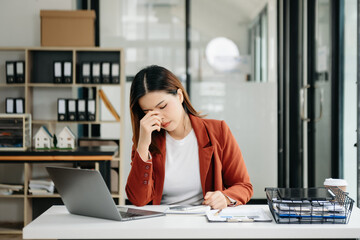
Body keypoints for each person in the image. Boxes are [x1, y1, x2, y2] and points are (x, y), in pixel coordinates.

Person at [126, 65, 253, 210]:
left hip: (204, 221)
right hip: (162, 223)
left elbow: (243, 186)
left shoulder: (218, 131)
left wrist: (225, 198)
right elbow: (138, 199)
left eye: (162, 107)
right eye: (148, 112)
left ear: (179, 96)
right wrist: (142, 146)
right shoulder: (146, 140)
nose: (159, 117)